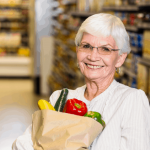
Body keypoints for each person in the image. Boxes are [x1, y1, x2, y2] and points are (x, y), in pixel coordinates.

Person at [12, 13, 150, 150]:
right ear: (77, 50)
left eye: (105, 49)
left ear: (120, 58)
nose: (93, 56)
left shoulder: (132, 100)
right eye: (86, 46)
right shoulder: (60, 98)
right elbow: (22, 144)